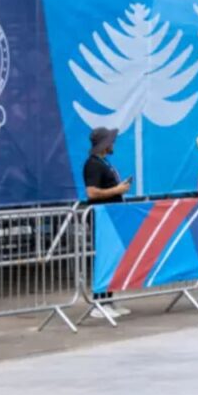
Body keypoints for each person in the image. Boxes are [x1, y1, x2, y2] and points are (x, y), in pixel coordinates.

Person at [83, 127, 133, 319]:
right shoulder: (93, 165)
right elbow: (92, 192)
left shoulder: (103, 162)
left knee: (112, 259)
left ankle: (108, 300)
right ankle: (99, 303)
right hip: (102, 217)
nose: (113, 144)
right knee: (105, 259)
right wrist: (117, 189)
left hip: (111, 217)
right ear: (104, 144)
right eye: (111, 141)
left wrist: (119, 190)